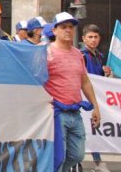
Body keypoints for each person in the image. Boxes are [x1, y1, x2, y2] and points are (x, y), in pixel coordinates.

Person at [45, 12, 100, 172]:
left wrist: (95, 106)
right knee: (58, 156)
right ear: (54, 31)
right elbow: (38, 82)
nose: (68, 30)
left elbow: (85, 82)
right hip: (56, 113)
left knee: (77, 155)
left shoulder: (78, 54)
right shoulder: (46, 53)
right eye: (63, 27)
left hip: (75, 112)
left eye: (71, 27)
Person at [79, 23, 112, 172]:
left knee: (94, 130)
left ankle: (97, 161)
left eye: (96, 37)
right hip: (84, 98)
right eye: (90, 37)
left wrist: (105, 72)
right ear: (84, 39)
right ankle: (89, 161)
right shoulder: (82, 56)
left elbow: (98, 76)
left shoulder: (99, 55)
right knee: (88, 129)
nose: (93, 40)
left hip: (95, 97)